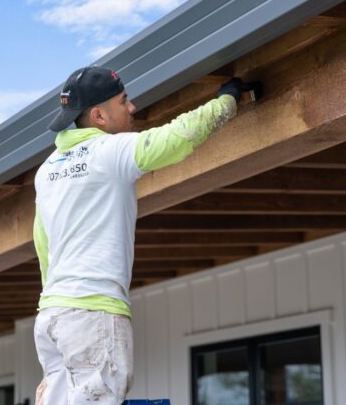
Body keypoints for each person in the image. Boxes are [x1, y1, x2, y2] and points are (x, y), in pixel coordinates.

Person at [32, 66, 249, 404]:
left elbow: (43, 244)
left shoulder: (47, 171)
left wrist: (57, 299)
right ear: (99, 115)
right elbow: (176, 138)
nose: (132, 109)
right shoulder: (109, 152)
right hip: (93, 313)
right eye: (124, 101)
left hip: (52, 318)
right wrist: (226, 102)